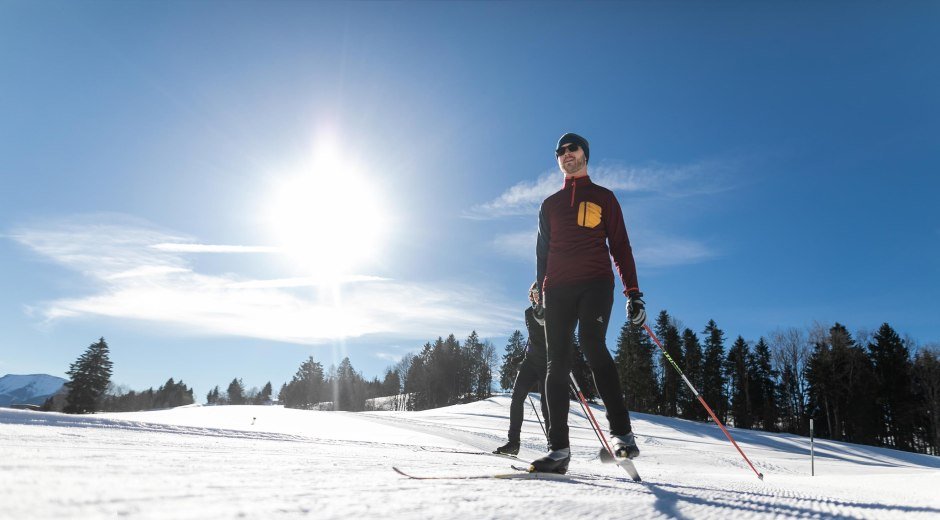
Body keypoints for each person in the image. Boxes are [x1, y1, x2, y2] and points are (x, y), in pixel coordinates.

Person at [530, 132, 647, 474]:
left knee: (592, 344)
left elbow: (621, 246)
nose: (566, 154)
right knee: (556, 363)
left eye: (572, 148)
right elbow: (543, 251)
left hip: (596, 282)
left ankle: (623, 436)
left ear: (585, 154)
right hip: (558, 290)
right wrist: (540, 288)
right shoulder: (549, 205)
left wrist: (633, 293)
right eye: (560, 151)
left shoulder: (604, 197)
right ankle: (558, 452)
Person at [494, 284, 551, 456]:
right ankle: (513, 443)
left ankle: (553, 447)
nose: (535, 296)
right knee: (516, 397)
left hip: (547, 362)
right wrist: (520, 357)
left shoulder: (551, 311)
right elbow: (532, 338)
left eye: (538, 293)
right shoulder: (528, 313)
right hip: (530, 361)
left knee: (547, 405)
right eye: (533, 293)